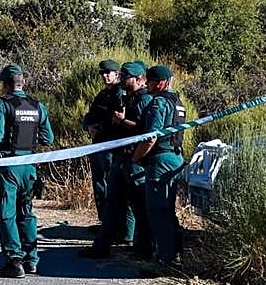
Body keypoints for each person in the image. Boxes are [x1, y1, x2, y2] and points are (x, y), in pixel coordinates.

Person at [0, 64, 54, 278]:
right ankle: (32, 260)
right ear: (23, 83)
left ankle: (14, 260)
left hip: (8, 165)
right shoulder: (37, 105)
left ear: (5, 85)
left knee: (6, 214)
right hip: (30, 165)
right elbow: (48, 138)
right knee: (26, 213)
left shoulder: (2, 105)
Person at [80, 61, 152, 259]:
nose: (119, 79)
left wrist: (120, 123)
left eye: (123, 76)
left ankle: (135, 242)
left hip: (130, 156)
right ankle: (102, 246)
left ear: (138, 79)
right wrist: (91, 127)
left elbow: (144, 132)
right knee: (111, 197)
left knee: (135, 202)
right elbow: (91, 115)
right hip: (118, 153)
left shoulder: (144, 100)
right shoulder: (120, 96)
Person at [131, 64, 187, 271]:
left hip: (161, 161)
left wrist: (136, 158)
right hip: (175, 158)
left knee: (158, 211)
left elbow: (150, 138)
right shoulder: (178, 102)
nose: (147, 85)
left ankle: (164, 260)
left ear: (161, 83)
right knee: (168, 210)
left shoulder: (159, 103)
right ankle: (175, 255)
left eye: (151, 81)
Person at [81, 59, 126, 229]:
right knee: (100, 184)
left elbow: (115, 118)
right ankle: (104, 222)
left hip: (111, 146)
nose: (105, 76)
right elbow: (89, 115)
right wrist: (89, 126)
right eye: (103, 73)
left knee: (111, 185)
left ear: (117, 74)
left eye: (109, 72)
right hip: (98, 144)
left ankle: (113, 225)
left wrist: (99, 127)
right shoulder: (102, 94)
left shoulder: (119, 93)